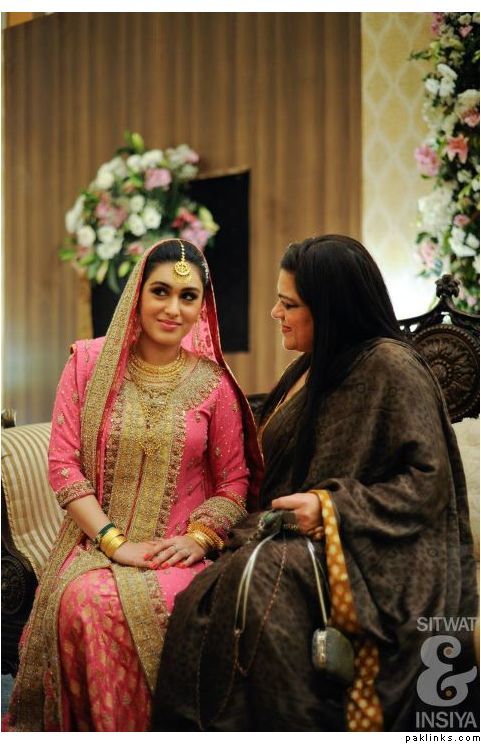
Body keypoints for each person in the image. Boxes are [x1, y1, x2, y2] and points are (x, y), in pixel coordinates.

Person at [152, 234, 478, 732]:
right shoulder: (311, 366)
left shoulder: (391, 368)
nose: (274, 313)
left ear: (330, 309)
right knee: (212, 592)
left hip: (380, 551)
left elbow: (427, 483)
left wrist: (329, 507)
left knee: (266, 580)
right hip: (294, 535)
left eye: (288, 304)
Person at [6, 239, 263, 732]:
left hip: (176, 550)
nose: (173, 308)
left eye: (188, 297)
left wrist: (198, 539)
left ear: (202, 307)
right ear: (136, 294)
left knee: (174, 603)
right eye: (160, 291)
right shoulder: (88, 364)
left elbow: (235, 482)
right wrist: (114, 543)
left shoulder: (214, 385)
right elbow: (63, 465)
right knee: (86, 600)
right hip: (93, 544)